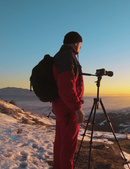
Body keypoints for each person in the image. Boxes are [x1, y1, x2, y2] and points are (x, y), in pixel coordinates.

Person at [52, 31, 85, 169]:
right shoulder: (67, 57)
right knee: (68, 146)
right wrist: (77, 108)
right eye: (80, 45)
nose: (81, 48)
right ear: (75, 43)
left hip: (61, 107)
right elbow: (67, 86)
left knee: (61, 143)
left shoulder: (61, 56)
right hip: (68, 109)